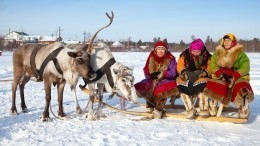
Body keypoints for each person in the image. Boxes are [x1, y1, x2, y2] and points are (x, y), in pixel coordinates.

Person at [204, 34, 254, 118]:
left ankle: (243, 107)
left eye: (229, 41)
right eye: (225, 41)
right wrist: (218, 72)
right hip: (221, 75)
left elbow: (245, 66)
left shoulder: (240, 54)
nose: (226, 42)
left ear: (233, 42)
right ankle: (213, 105)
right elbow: (213, 64)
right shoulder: (217, 53)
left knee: (242, 87)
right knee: (213, 85)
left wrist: (235, 75)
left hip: (237, 76)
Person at [134, 41, 179, 119]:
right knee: (146, 85)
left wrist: (164, 74)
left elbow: (174, 72)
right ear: (155, 50)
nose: (160, 51)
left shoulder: (170, 58)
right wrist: (150, 75)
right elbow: (146, 69)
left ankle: (159, 108)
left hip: (166, 79)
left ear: (166, 50)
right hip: (153, 79)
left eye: (162, 49)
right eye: (158, 49)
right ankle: (150, 105)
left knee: (163, 88)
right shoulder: (151, 56)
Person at [176, 38, 212, 119]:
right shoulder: (185, 55)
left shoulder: (208, 57)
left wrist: (204, 72)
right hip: (187, 74)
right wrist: (184, 72)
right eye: (193, 51)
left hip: (201, 75)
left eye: (198, 51)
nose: (195, 53)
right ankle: (190, 109)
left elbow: (211, 67)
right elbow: (180, 65)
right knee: (183, 87)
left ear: (202, 50)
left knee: (203, 88)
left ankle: (204, 108)